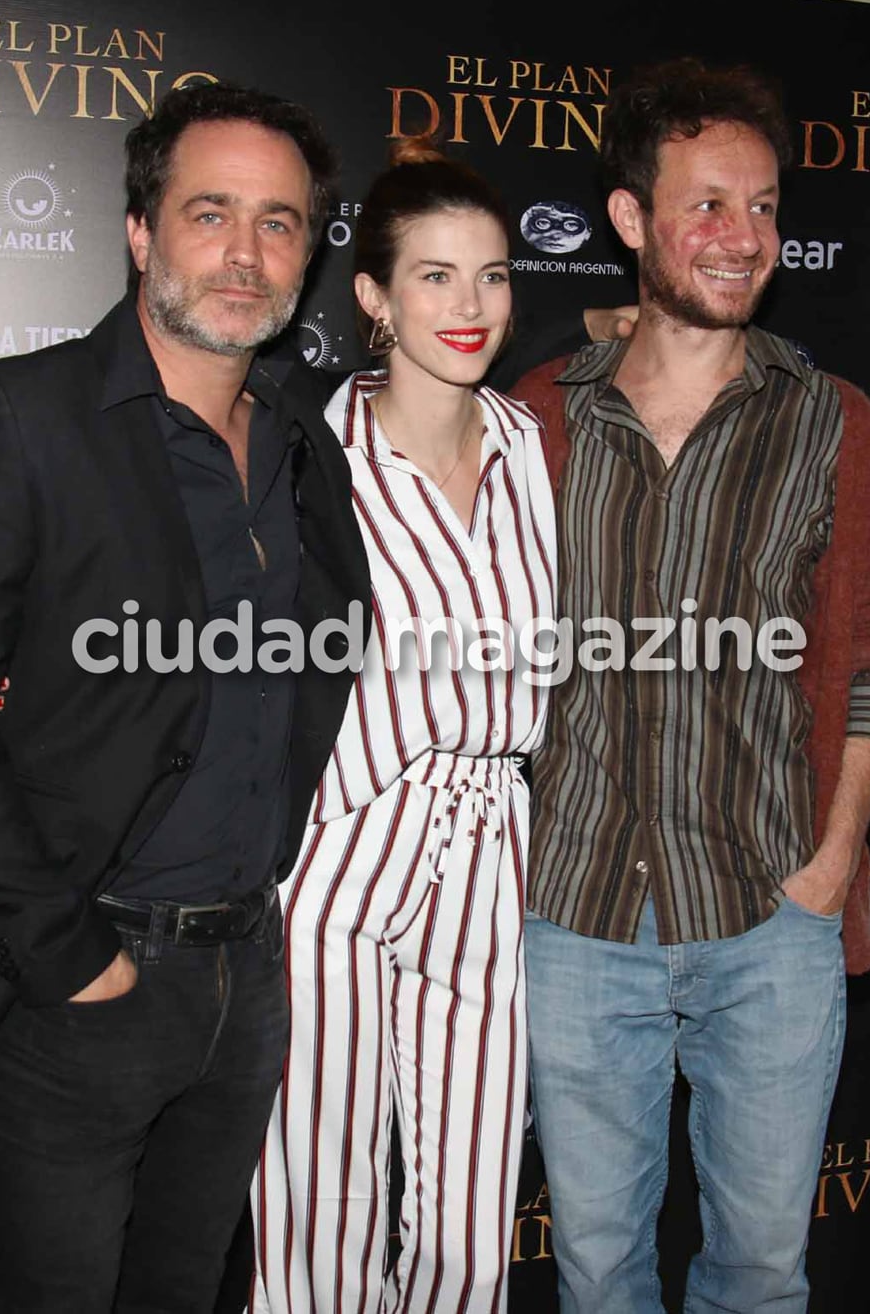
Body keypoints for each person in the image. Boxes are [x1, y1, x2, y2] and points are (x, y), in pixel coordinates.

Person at [0, 83, 367, 1312]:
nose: (246, 254)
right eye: (210, 213)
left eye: (280, 222)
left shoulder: (305, 438)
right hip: (81, 983)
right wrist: (63, 949)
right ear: (142, 231)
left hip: (244, 974)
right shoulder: (25, 416)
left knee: (185, 1291)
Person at [514, 58, 870, 1313]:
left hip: (768, 917)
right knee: (595, 1268)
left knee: (758, 1270)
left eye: (761, 207)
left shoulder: (833, 422)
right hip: (576, 915)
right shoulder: (535, 417)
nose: (741, 237)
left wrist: (829, 864)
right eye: (705, 205)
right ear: (631, 221)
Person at [251, 138, 555, 1314]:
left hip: (491, 846)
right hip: (342, 850)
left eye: (490, 275)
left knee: (475, 1239)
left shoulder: (537, 452)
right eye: (433, 276)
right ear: (371, 296)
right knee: (319, 1220)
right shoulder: (306, 458)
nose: (470, 306)